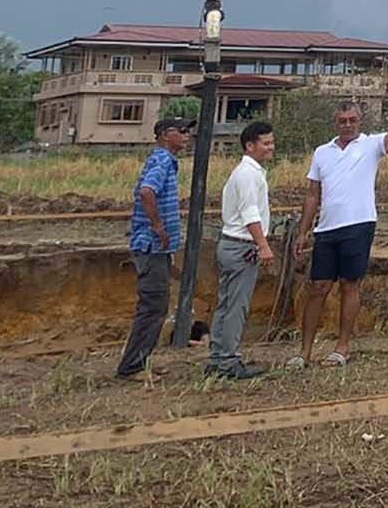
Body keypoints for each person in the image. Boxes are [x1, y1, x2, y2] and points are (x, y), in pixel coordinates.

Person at [287, 100, 388, 368]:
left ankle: (342, 347)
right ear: (335, 123)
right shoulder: (322, 152)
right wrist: (303, 231)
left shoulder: (371, 145)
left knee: (349, 284)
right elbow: (312, 194)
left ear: (360, 121)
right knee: (318, 287)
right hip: (327, 228)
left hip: (359, 224)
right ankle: (304, 352)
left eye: (352, 120)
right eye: (343, 121)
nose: (348, 125)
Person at [116, 115, 192, 379]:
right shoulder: (162, 161)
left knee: (155, 306)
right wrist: (158, 227)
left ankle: (138, 361)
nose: (187, 135)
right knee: (153, 306)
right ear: (165, 135)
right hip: (152, 246)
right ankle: (133, 367)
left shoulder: (166, 161)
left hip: (156, 247)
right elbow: (147, 191)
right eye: (181, 130)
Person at [206, 120, 276, 379]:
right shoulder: (248, 175)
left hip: (232, 245)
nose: (271, 147)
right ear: (250, 146)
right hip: (241, 246)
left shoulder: (248, 172)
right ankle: (228, 361)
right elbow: (249, 213)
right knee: (237, 306)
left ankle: (218, 357)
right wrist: (263, 245)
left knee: (226, 303)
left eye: (272, 142)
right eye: (266, 143)